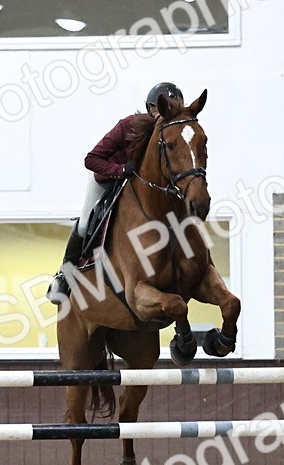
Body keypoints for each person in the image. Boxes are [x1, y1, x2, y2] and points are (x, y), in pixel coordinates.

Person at [46, 82, 184, 304]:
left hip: (143, 187)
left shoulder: (172, 135)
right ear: (150, 109)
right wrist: (119, 170)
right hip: (108, 178)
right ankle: (64, 277)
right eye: (160, 108)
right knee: (84, 225)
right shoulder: (128, 126)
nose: (164, 114)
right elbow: (91, 159)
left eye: (172, 108)